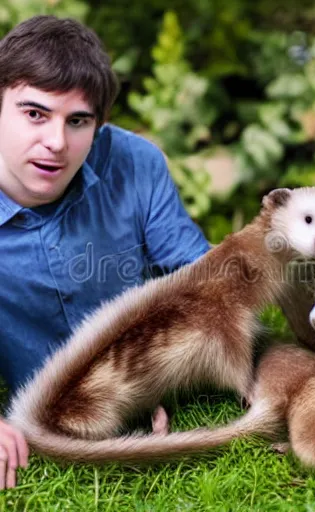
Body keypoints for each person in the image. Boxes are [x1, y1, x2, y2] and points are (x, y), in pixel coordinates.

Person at [0, 15, 210, 489]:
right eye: (34, 113)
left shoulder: (135, 163)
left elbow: (200, 281)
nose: (56, 143)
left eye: (78, 121)